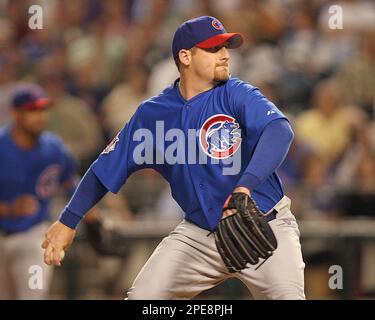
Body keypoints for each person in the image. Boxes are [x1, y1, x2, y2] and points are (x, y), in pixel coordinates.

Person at [42, 16, 305, 300]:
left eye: (227, 47)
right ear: (185, 56)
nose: (226, 55)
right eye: (214, 49)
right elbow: (104, 169)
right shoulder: (153, 114)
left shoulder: (236, 94)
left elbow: (279, 130)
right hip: (199, 235)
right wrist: (68, 221)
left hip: (264, 222)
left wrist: (245, 186)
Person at [0, 84, 77, 299]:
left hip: (34, 237)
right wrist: (8, 208)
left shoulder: (54, 148)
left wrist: (93, 219)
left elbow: (71, 184)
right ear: (15, 113)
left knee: (34, 294)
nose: (40, 116)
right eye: (32, 110)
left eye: (43, 109)